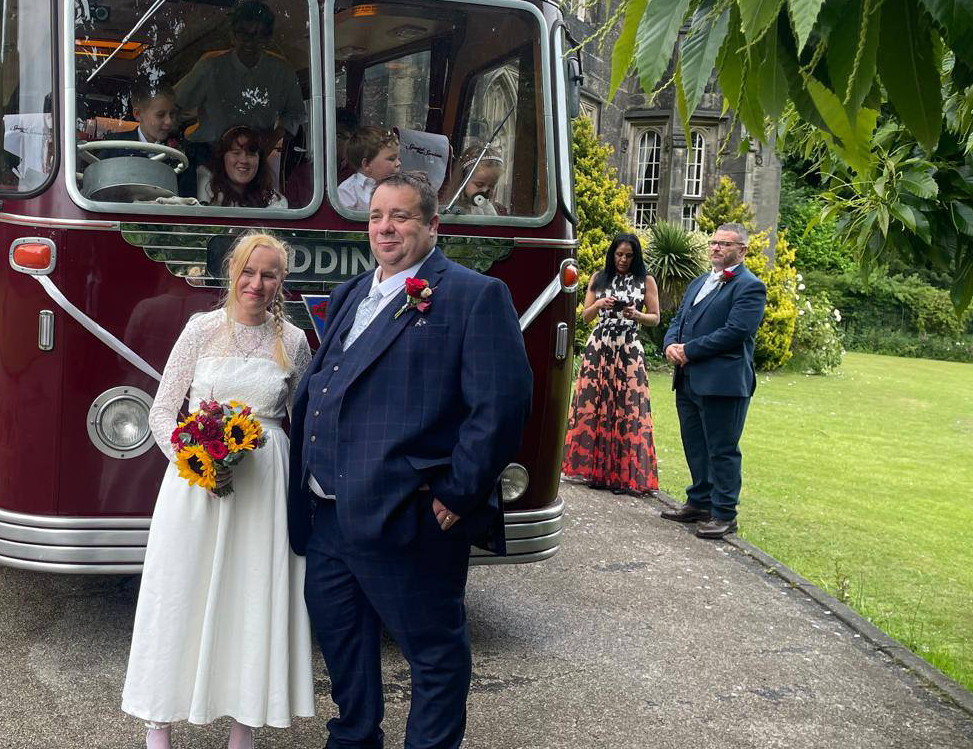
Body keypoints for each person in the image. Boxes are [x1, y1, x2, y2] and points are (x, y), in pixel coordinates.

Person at [289, 172, 533, 749]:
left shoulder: (474, 295)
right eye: (376, 216)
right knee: (344, 645)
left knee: (434, 654)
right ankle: (353, 740)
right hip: (328, 516)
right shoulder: (352, 293)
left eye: (400, 216)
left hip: (408, 515)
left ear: (431, 226)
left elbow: (500, 406)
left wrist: (457, 493)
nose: (385, 227)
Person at [122, 232, 316, 749]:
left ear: (281, 282)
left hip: (265, 486)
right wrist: (193, 459)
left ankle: (243, 724)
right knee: (182, 590)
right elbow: (164, 411)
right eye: (249, 272)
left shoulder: (293, 342)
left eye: (269, 274)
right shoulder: (201, 330)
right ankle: (158, 723)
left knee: (253, 592)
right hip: (198, 485)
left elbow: (305, 420)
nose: (257, 283)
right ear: (232, 272)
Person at [660, 222, 768, 539]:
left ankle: (724, 513)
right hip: (689, 379)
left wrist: (689, 350)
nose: (717, 248)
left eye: (725, 244)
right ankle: (699, 502)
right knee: (695, 444)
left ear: (742, 250)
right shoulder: (699, 282)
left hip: (724, 382)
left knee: (722, 449)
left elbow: (736, 332)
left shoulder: (749, 286)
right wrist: (669, 344)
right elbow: (679, 319)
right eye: (714, 242)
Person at [562, 233, 661, 495]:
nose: (623, 260)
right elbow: (584, 316)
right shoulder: (599, 277)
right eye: (619, 254)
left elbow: (655, 318)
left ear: (635, 256)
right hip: (600, 347)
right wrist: (600, 304)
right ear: (612, 254)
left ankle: (622, 475)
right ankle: (596, 472)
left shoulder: (645, 280)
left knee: (627, 410)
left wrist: (636, 314)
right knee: (595, 405)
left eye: (629, 255)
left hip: (628, 346)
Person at [174, 1, 305, 195]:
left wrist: (271, 139)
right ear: (232, 34)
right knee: (204, 209)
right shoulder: (210, 66)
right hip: (207, 155)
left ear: (268, 38)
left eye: (258, 35)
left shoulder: (282, 71)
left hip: (251, 157)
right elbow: (175, 103)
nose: (249, 41)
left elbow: (295, 113)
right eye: (243, 33)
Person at [200, 126, 288, 209]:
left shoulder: (276, 202)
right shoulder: (206, 196)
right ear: (222, 159)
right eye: (236, 153)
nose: (244, 160)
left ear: (260, 161)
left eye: (251, 154)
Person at [336, 126, 402, 210]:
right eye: (391, 159)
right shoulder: (348, 191)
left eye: (399, 158)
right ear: (366, 164)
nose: (399, 163)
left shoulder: (399, 186)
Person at [441, 151, 505, 216]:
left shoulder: (500, 211)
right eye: (479, 185)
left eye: (492, 186)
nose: (485, 190)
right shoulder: (449, 211)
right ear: (463, 181)